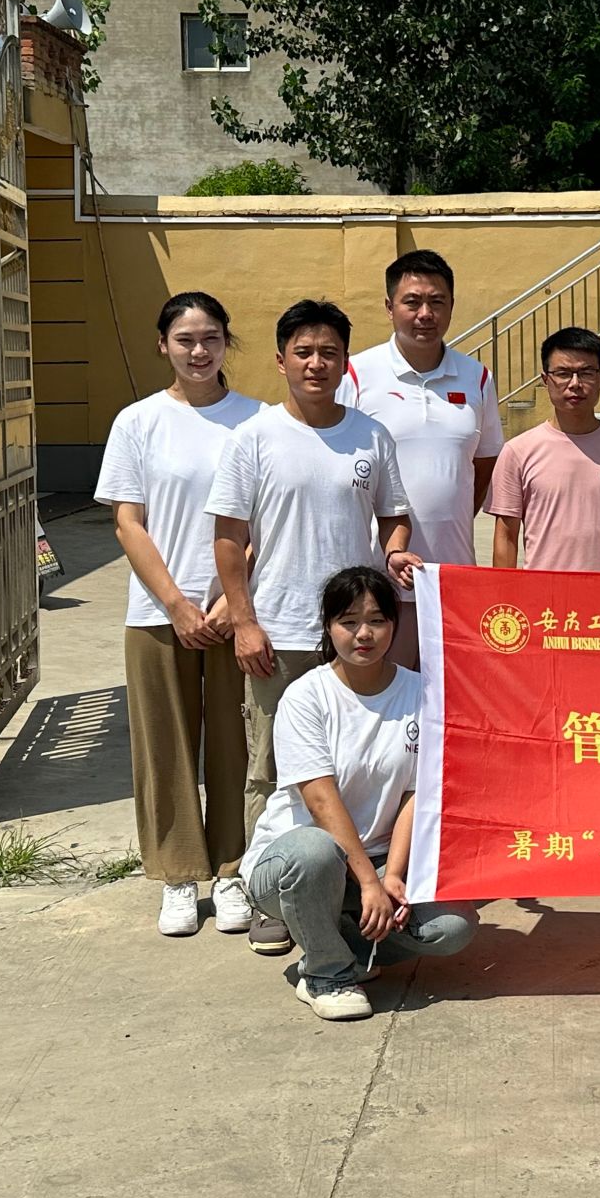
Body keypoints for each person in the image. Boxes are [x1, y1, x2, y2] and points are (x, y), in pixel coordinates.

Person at [207, 299, 421, 957]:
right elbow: (228, 537)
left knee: (358, 763)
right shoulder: (254, 437)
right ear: (281, 361)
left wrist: (394, 554)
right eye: (303, 352)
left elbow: (394, 516)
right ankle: (266, 891)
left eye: (329, 352)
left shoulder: (370, 436)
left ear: (345, 362)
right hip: (278, 632)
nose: (316, 363)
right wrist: (244, 622)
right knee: (269, 766)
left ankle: (353, 883)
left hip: (356, 631)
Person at [94, 292, 263, 938]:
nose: (199, 351)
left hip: (237, 612)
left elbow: (263, 520)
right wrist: (178, 604)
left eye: (211, 338)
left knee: (236, 744)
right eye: (185, 339)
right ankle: (178, 875)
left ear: (227, 342)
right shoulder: (138, 422)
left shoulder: (257, 421)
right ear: (163, 344)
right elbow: (128, 522)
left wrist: (227, 603)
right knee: (164, 747)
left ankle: (232, 871)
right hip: (157, 612)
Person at [241, 566, 479, 1021]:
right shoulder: (305, 697)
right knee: (315, 850)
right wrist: (369, 882)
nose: (363, 634)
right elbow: (320, 801)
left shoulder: (424, 693)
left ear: (395, 624)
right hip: (297, 864)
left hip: (380, 858)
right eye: (348, 622)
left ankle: (343, 943)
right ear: (329, 627)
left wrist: (393, 876)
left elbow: (417, 793)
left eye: (376, 620)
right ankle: (326, 974)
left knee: (453, 927)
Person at [341, 250, 504, 666]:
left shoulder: (477, 377)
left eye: (437, 301)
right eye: (412, 302)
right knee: (382, 691)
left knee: (447, 693)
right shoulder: (357, 374)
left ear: (452, 305)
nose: (425, 314)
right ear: (389, 307)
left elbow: (483, 463)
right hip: (377, 580)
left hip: (451, 577)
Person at [486, 326, 600, 572]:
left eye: (586, 373)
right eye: (563, 373)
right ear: (546, 380)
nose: (575, 384)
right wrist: (507, 591)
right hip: (543, 593)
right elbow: (506, 536)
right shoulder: (518, 451)